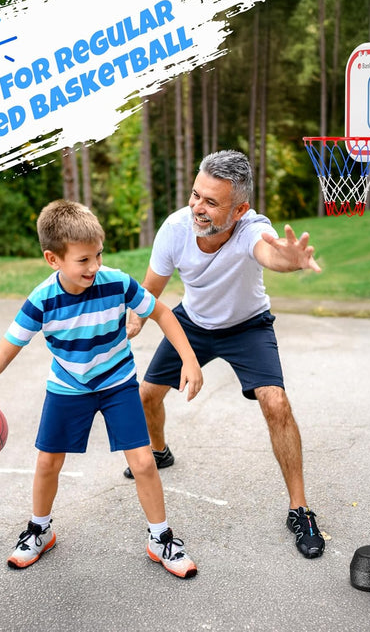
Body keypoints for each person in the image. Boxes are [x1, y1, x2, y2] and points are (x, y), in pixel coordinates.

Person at [124, 150, 325, 559]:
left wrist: (289, 260)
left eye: (211, 202)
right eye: (196, 195)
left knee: (276, 402)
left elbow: (269, 253)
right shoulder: (175, 229)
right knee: (146, 396)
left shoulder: (253, 228)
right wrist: (135, 321)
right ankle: (160, 452)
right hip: (193, 323)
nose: (198, 207)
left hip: (247, 327)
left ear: (239, 209)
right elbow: (151, 289)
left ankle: (300, 509)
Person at [1, 200, 203, 578]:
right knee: (48, 462)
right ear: (53, 258)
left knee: (143, 462)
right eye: (83, 260)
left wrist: (189, 360)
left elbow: (160, 312)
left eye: (98, 255)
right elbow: (9, 347)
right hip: (67, 386)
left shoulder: (116, 282)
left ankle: (160, 538)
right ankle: (40, 530)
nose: (94, 266)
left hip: (116, 382)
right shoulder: (42, 300)